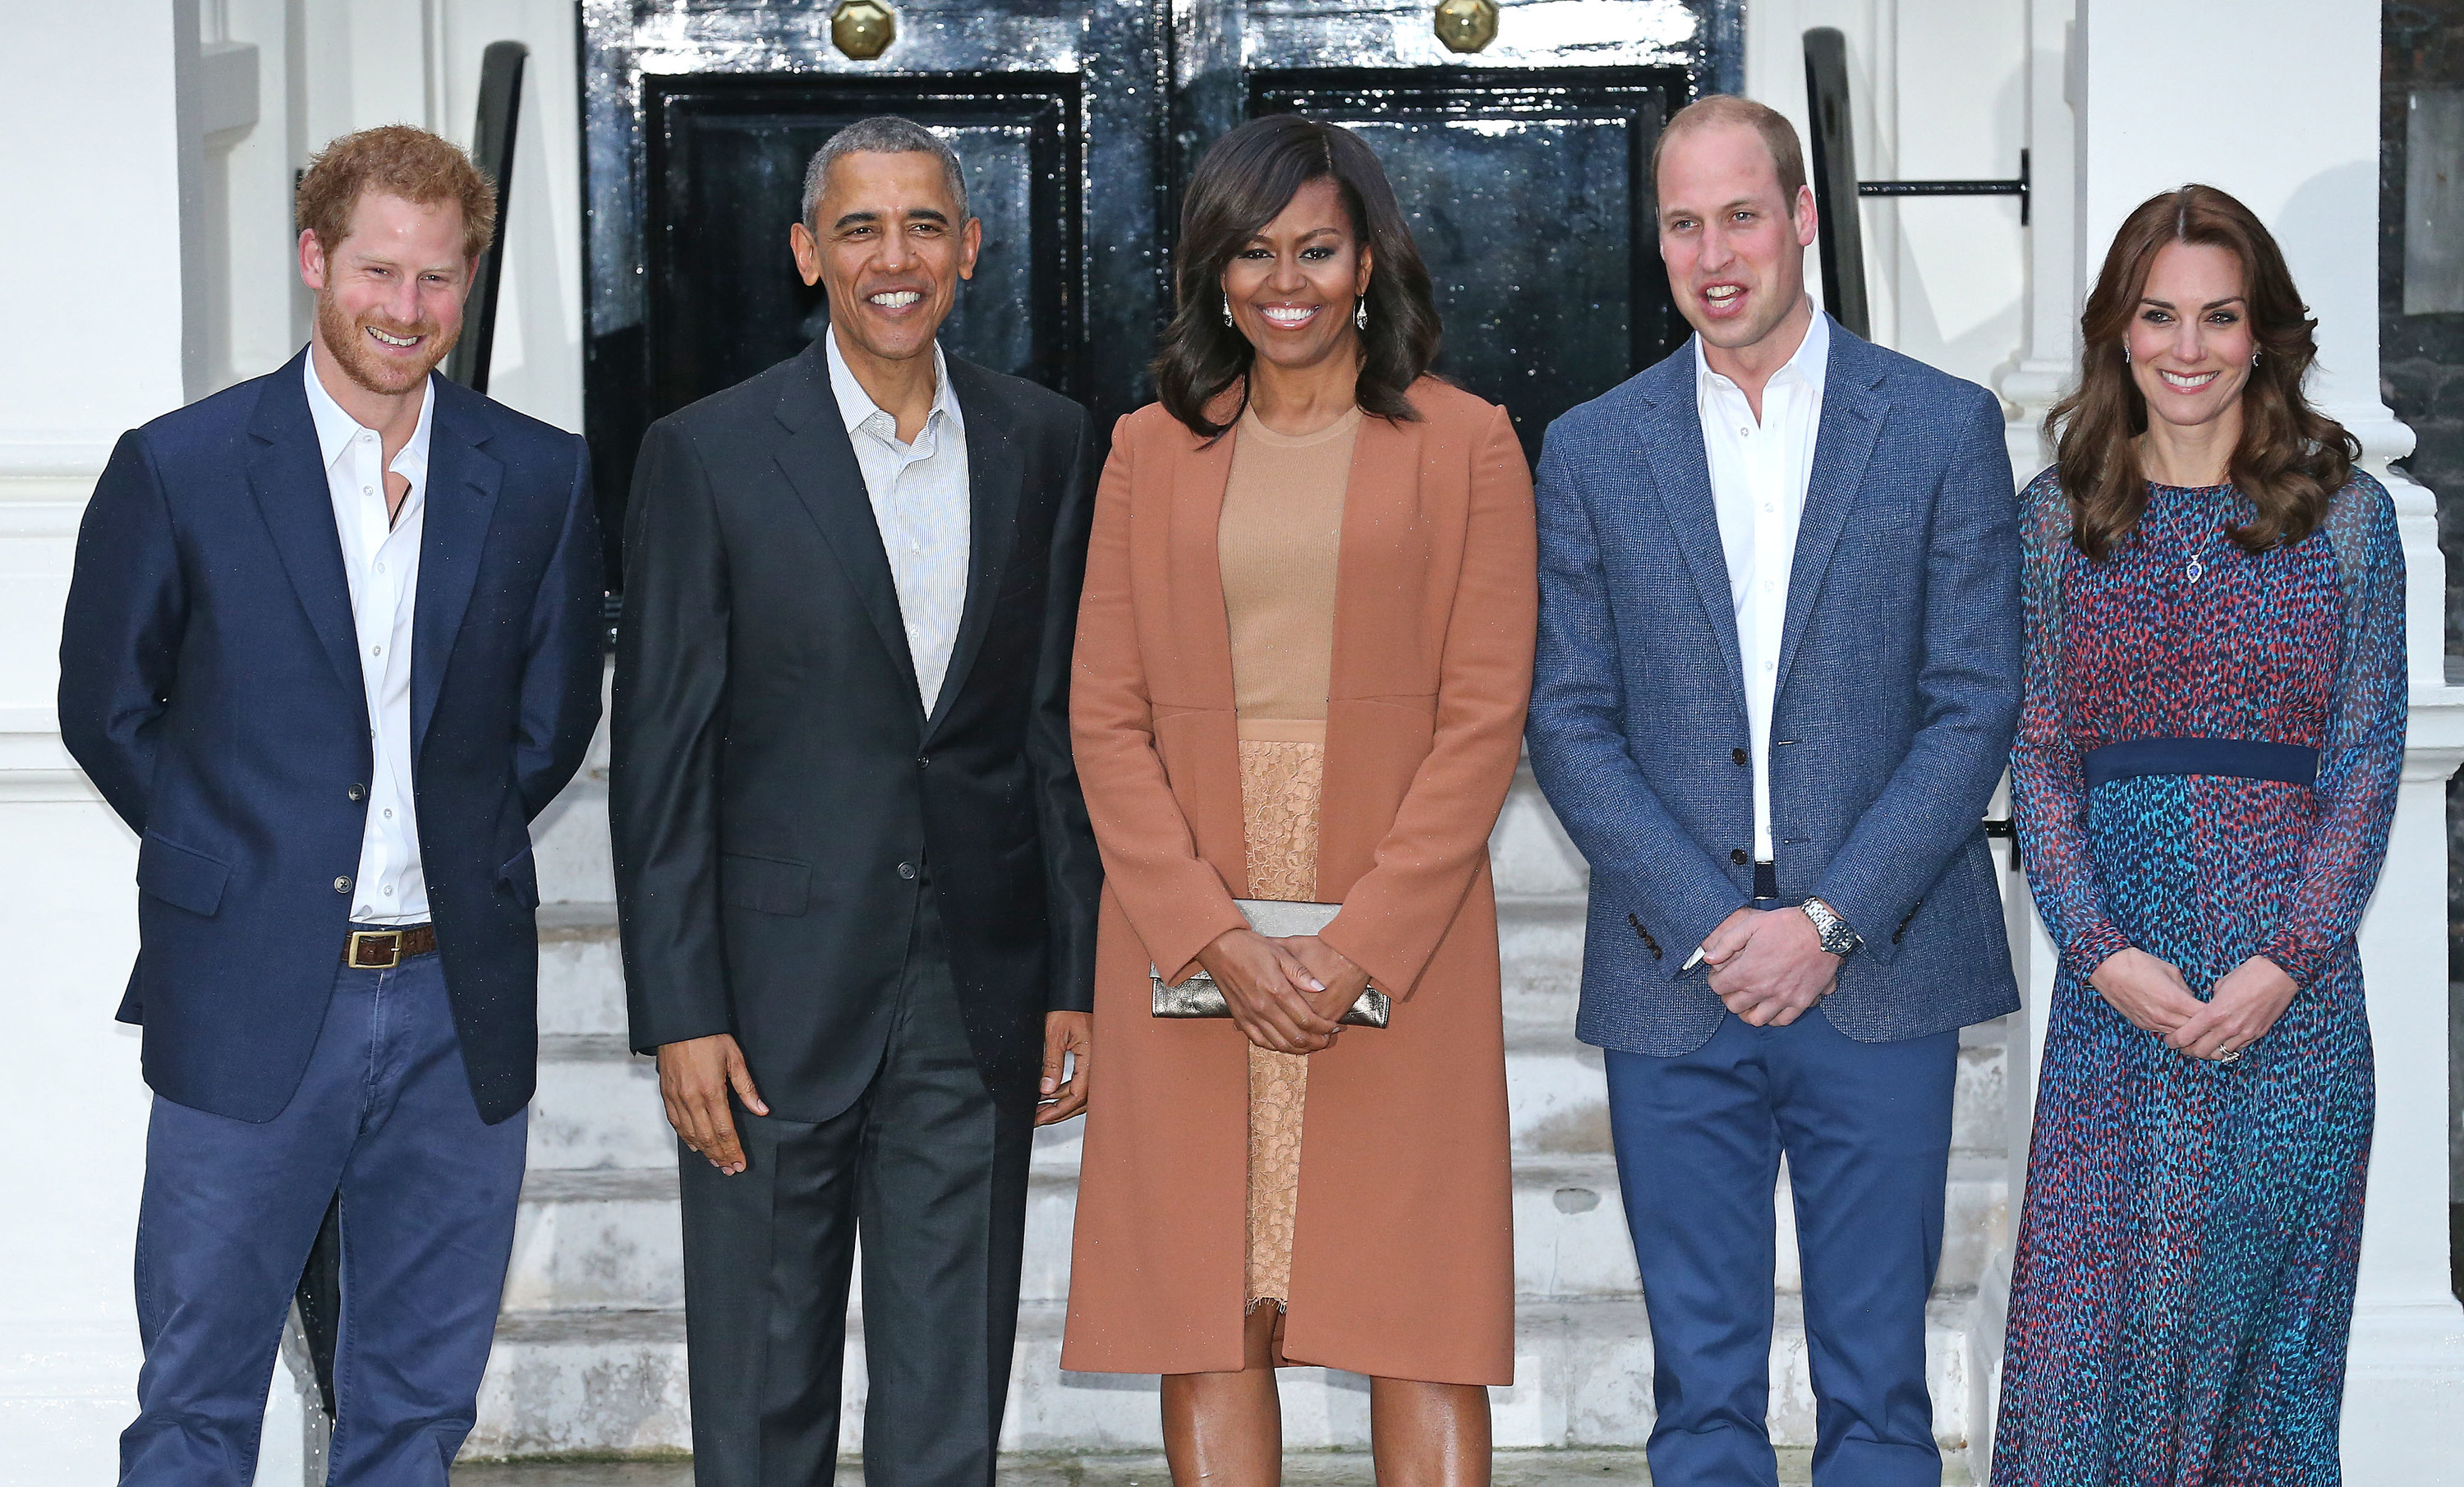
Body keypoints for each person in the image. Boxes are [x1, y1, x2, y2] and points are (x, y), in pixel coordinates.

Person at [57, 126, 605, 1483]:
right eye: (378, 271)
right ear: (315, 261)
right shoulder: (180, 466)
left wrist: (452, 847)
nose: (405, 310)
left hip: (450, 1005)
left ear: (466, 286)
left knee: (415, 1408)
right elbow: (107, 708)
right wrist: (238, 858)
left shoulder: (538, 475)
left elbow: (550, 721)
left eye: (437, 280)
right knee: (196, 1397)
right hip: (246, 994)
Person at [1524, 95, 2023, 1485]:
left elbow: (1975, 699)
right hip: (1671, 968)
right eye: (1683, 224)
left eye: (1742, 214)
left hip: (1880, 964)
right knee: (1700, 1401)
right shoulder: (1592, 446)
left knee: (1878, 1394)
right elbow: (1566, 715)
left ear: (1803, 217)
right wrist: (1708, 915)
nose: (1714, 251)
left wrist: (1828, 918)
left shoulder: (1937, 425)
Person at [611, 117, 1101, 1487]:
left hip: (978, 986)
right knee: (764, 1401)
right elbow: (660, 758)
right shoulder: (706, 455)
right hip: (767, 997)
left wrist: (1074, 968)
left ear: (970, 247)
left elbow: (1049, 730)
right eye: (862, 228)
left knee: (949, 1399)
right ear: (807, 254)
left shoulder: (1047, 441)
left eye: (926, 225)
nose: (897, 258)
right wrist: (679, 1012)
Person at [1060, 114, 1534, 1487]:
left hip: (1403, 914)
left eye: (1317, 248)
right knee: (1209, 1316)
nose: (1287, 281)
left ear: (1369, 259)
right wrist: (1213, 936)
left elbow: (1482, 717)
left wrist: (1358, 941)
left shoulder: (1469, 443)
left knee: (1421, 1312)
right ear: (1216, 273)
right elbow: (1104, 713)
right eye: (1254, 251)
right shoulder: (1150, 449)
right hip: (1192, 899)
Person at [1989, 185, 2401, 1485]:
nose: (2186, 347)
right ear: (2117, 330)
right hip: (2120, 1002)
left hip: (2296, 1009)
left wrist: (2285, 960)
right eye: (2158, 315)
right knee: (2088, 1357)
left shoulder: (2346, 517)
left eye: (2219, 317)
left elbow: (2367, 762)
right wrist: (2100, 951)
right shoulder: (2056, 518)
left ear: (2263, 333)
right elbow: (2041, 757)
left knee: (2264, 1377)